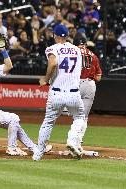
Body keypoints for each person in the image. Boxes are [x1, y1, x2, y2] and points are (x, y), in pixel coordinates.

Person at [0, 28, 51, 156]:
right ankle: (11, 148)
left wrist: (3, 50)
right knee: (14, 118)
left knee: (15, 125)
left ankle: (35, 148)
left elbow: (9, 66)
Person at [32, 24, 85, 161]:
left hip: (56, 92)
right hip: (74, 92)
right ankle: (72, 141)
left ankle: (38, 153)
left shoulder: (53, 48)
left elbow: (53, 63)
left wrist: (45, 79)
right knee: (79, 118)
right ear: (67, 36)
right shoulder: (77, 50)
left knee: (48, 122)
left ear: (55, 35)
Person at [72, 38, 102, 146]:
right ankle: (77, 141)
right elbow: (98, 78)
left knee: (73, 112)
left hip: (74, 84)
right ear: (85, 45)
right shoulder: (93, 55)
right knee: (83, 116)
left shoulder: (72, 53)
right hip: (89, 84)